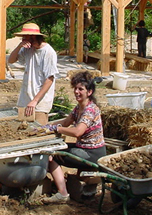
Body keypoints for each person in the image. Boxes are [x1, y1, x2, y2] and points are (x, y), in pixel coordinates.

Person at [41, 71, 106, 204]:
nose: (76, 91)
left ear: (89, 92)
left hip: (91, 152)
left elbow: (77, 132)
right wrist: (45, 126)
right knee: (55, 150)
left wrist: (56, 129)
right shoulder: (79, 108)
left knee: (51, 156)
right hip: (83, 147)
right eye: (75, 88)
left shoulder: (90, 110)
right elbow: (65, 123)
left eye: (80, 89)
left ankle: (63, 194)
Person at [8, 22, 59, 125]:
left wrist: (35, 101)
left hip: (40, 102)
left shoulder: (48, 52)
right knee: (24, 131)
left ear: (34, 37)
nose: (24, 39)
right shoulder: (28, 50)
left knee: (38, 131)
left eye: (26, 36)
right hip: (25, 99)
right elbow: (11, 60)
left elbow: (49, 79)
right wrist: (19, 47)